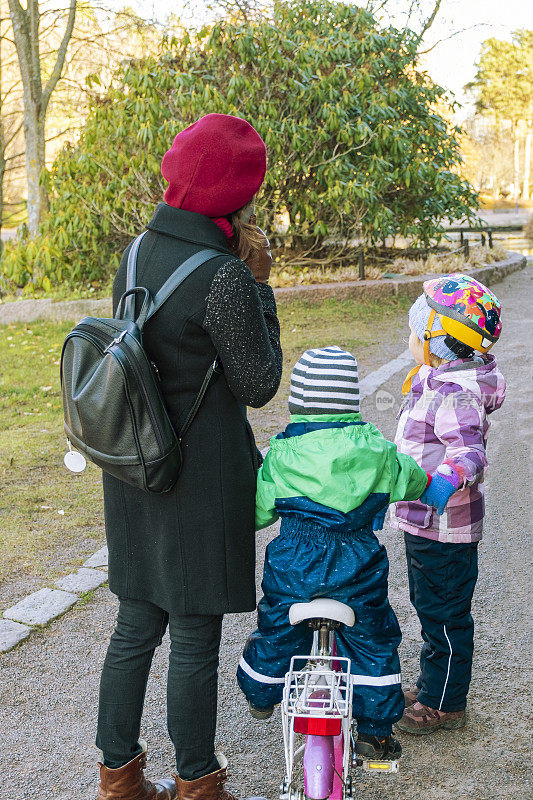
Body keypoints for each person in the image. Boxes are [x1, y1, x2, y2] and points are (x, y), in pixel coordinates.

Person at [95, 114, 282, 800]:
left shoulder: (138, 250)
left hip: (135, 461)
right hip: (198, 474)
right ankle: (197, 783)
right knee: (195, 634)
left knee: (136, 622)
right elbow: (258, 385)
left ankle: (118, 777)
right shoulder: (224, 277)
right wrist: (260, 285)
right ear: (239, 193)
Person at [237, 345, 437, 761]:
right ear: (351, 400)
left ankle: (261, 691)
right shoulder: (378, 451)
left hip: (294, 559)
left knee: (277, 622)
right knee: (373, 638)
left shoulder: (281, 454)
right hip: (357, 561)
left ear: (298, 403)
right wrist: (431, 486)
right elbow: (414, 482)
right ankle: (377, 732)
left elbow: (256, 513)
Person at [390, 273, 505, 735]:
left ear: (440, 341)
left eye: (416, 333)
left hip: (444, 526)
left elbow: (468, 453)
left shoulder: (455, 394)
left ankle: (445, 704)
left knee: (446, 614)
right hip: (426, 526)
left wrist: (438, 490)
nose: (410, 339)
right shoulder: (436, 380)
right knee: (431, 607)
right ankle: (435, 685)